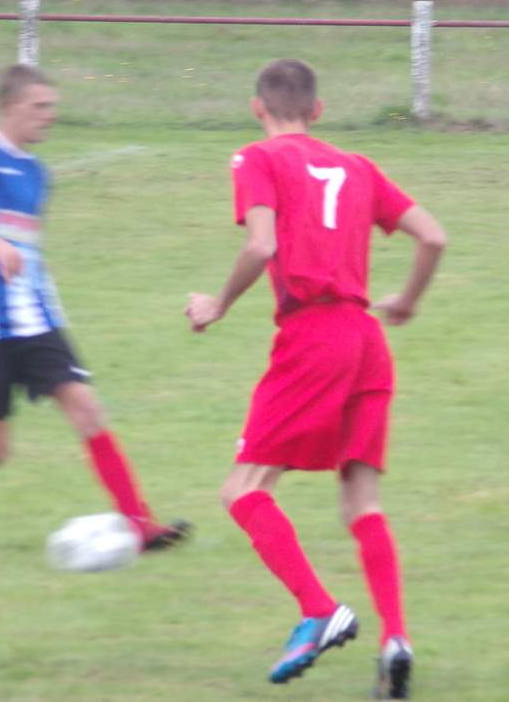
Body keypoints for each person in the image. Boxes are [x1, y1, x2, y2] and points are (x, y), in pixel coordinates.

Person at [186, 59, 445, 698]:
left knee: (242, 489)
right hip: (367, 339)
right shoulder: (356, 166)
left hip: (312, 339)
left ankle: (319, 608)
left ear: (258, 108)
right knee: (362, 500)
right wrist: (407, 301)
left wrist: (216, 305)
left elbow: (261, 247)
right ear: (319, 111)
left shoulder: (256, 158)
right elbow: (433, 237)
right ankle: (396, 639)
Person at [0, 64, 189, 554]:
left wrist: (45, 297)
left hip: (33, 318)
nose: (50, 116)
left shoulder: (36, 172)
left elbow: (26, 247)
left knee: (87, 408)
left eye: (52, 107)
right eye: (40, 107)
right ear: (10, 108)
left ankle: (140, 525)